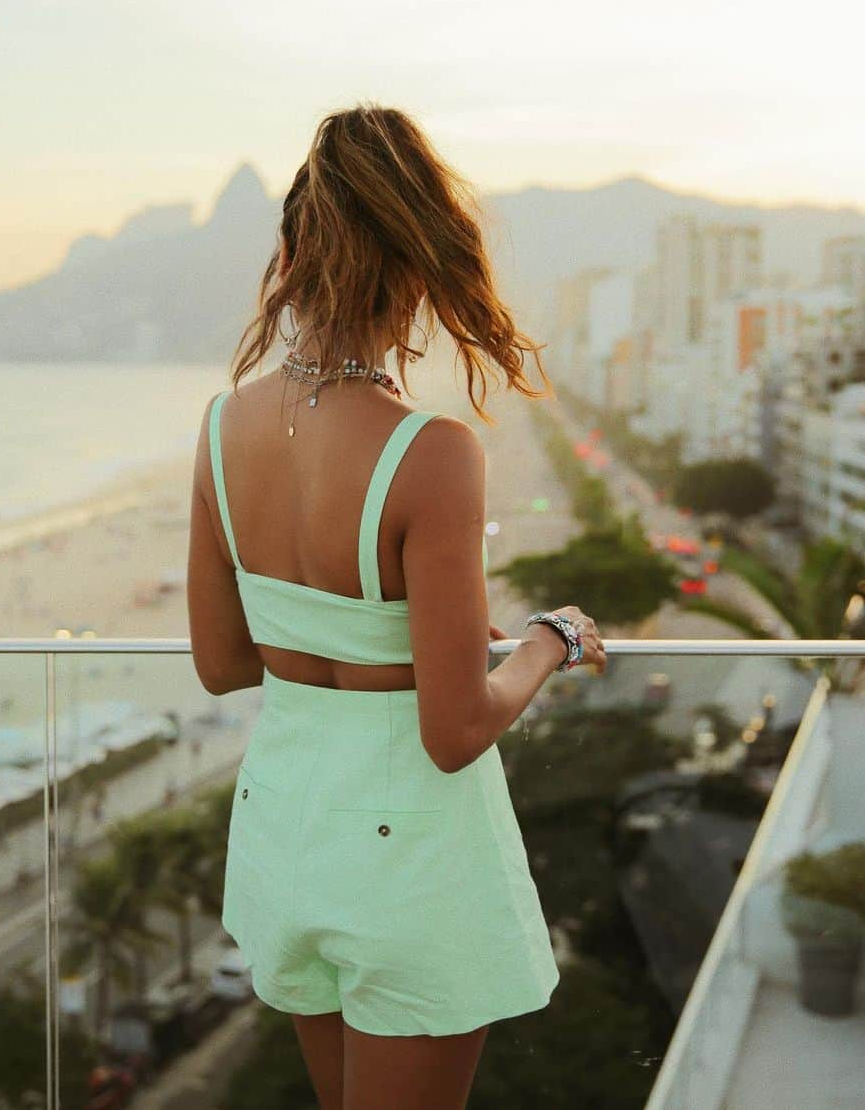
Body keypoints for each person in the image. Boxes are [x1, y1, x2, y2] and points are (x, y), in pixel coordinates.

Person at [186, 105, 608, 1110]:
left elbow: (223, 663)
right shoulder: (432, 451)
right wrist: (552, 640)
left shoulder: (219, 427)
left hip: (287, 826)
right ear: (419, 267)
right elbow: (455, 728)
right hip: (405, 852)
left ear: (289, 254)